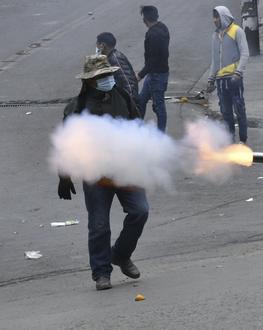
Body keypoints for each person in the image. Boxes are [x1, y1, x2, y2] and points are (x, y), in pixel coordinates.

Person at [58, 55, 149, 291]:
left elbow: (137, 127)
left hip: (125, 168)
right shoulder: (77, 108)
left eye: (108, 75)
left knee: (140, 211)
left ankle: (120, 254)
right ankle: (101, 272)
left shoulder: (122, 96)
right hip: (96, 174)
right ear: (89, 81)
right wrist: (64, 175)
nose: (107, 79)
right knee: (99, 226)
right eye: (101, 77)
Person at [206, 6, 250, 144]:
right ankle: (230, 140)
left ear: (224, 16)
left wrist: (238, 72)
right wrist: (210, 79)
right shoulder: (215, 35)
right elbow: (215, 60)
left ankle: (243, 140)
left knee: (239, 110)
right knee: (226, 113)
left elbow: (245, 53)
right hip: (220, 81)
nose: (215, 20)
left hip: (233, 79)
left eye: (217, 17)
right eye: (214, 17)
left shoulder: (237, 31)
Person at [138, 5, 170, 132]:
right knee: (141, 100)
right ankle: (137, 127)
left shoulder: (153, 35)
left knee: (158, 106)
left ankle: (160, 135)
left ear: (145, 19)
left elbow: (153, 60)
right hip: (155, 74)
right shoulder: (162, 27)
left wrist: (140, 75)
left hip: (157, 75)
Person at [96, 32, 140, 109]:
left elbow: (128, 82)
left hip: (124, 104)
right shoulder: (109, 58)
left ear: (103, 45)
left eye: (97, 44)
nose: (96, 46)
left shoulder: (115, 59)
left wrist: (130, 104)